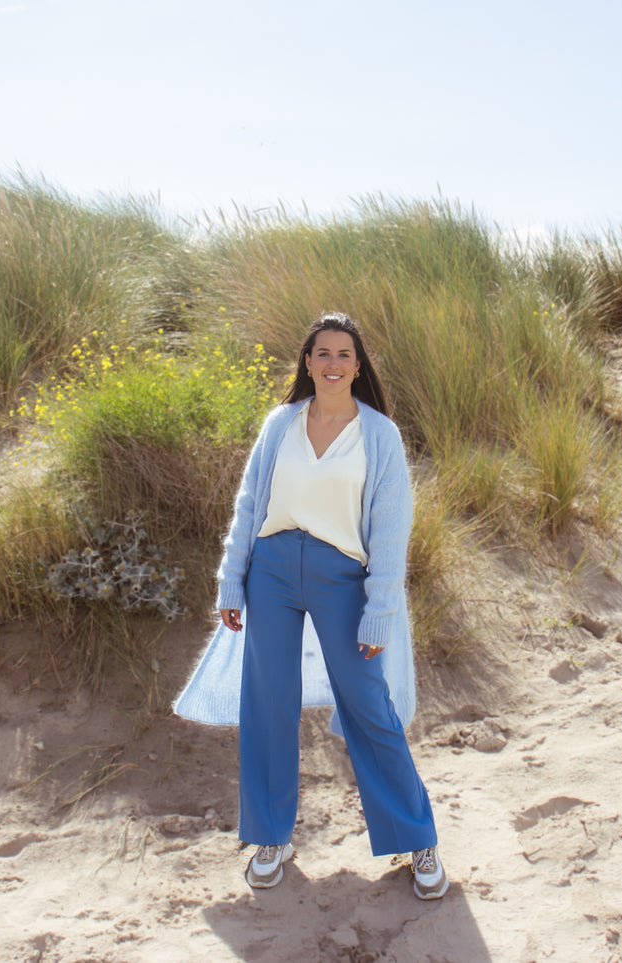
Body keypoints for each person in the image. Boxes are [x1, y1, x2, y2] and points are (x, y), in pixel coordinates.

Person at [174, 311, 447, 900]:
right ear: (307, 361)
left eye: (344, 354)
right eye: (322, 353)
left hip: (342, 578)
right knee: (268, 703)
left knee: (368, 704)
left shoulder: (379, 434)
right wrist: (232, 577)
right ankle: (272, 837)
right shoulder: (280, 424)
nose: (332, 363)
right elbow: (250, 503)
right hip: (271, 571)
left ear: (357, 365)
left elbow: (392, 529)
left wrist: (380, 608)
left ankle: (416, 837)